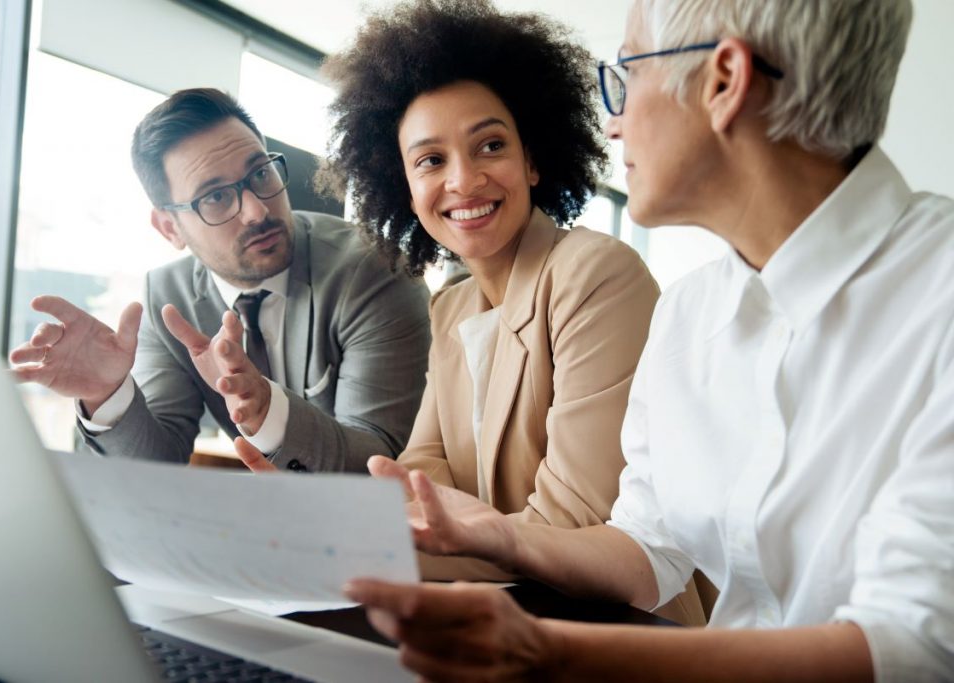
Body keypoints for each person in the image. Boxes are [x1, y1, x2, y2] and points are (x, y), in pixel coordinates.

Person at [341, 0, 954, 680]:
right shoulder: (691, 313)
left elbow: (912, 647)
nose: (613, 119)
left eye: (627, 72)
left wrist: (549, 652)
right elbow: (649, 549)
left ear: (724, 82)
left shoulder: (940, 292)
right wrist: (503, 537)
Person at [240, 0, 702, 625]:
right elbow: (420, 476)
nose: (463, 180)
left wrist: (347, 546)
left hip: (617, 633)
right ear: (404, 186)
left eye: (490, 145)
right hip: (498, 618)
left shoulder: (596, 275)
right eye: (430, 160)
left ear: (533, 160)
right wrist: (328, 524)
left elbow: (570, 527)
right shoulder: (451, 306)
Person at [9, 88, 431, 473]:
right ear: (169, 228)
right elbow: (155, 468)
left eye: (261, 174)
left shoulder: (375, 267)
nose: (256, 211)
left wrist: (270, 412)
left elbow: (381, 460)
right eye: (215, 197)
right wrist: (107, 396)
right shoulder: (169, 299)